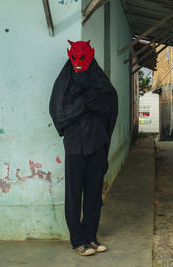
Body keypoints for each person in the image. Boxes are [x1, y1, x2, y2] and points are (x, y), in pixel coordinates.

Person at [49, 40, 118, 256]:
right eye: (75, 58)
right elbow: (59, 111)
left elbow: (109, 105)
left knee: (94, 193)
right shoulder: (65, 81)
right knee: (73, 194)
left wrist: (92, 102)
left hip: (96, 143)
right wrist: (84, 104)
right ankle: (77, 240)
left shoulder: (99, 79)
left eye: (82, 58)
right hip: (74, 146)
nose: (79, 64)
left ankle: (91, 237)